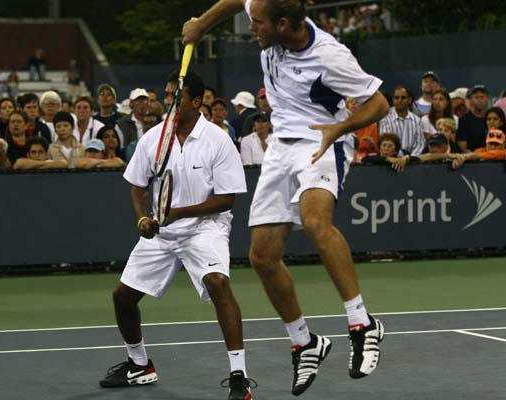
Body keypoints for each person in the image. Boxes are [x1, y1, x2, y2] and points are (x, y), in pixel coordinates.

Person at [183, 0, 388, 395]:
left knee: (315, 222)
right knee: (262, 256)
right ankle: (304, 342)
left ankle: (362, 323)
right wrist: (203, 24)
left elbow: (379, 104)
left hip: (322, 140)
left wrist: (340, 127)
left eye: (258, 24)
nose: (251, 28)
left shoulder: (329, 56)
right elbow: (238, 1)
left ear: (282, 24)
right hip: (280, 148)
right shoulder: (270, 20)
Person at [98, 70, 254, 400]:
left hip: (205, 228)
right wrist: (142, 218)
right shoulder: (153, 139)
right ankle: (139, 365)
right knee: (122, 297)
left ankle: (239, 376)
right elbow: (138, 187)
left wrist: (180, 212)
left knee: (218, 283)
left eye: (175, 97)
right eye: (167, 95)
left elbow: (227, 199)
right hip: (163, 232)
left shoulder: (218, 140)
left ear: (196, 102)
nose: (168, 101)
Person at [378, 85, 425, 155]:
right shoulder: (385, 119)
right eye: (396, 98)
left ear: (409, 100)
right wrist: (399, 158)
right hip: (391, 158)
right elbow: (386, 143)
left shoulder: (417, 121)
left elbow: (420, 144)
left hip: (412, 159)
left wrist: (410, 158)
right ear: (393, 100)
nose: (399, 100)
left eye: (403, 98)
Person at [457, 84, 491, 152]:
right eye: (476, 97)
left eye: (482, 97)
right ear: (471, 100)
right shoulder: (463, 120)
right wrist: (476, 156)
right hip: (472, 157)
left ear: (488, 98)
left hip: (493, 156)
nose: (479, 100)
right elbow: (463, 147)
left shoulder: (493, 117)